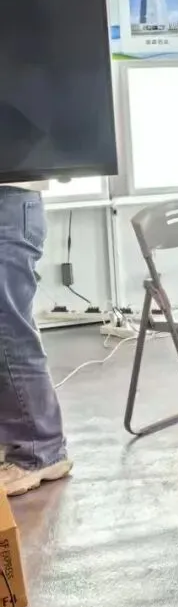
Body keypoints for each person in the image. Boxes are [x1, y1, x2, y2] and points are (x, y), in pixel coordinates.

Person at [0, 182, 73, 496]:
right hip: (11, 201)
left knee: (9, 336)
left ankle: (39, 451)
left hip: (6, 202)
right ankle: (24, 442)